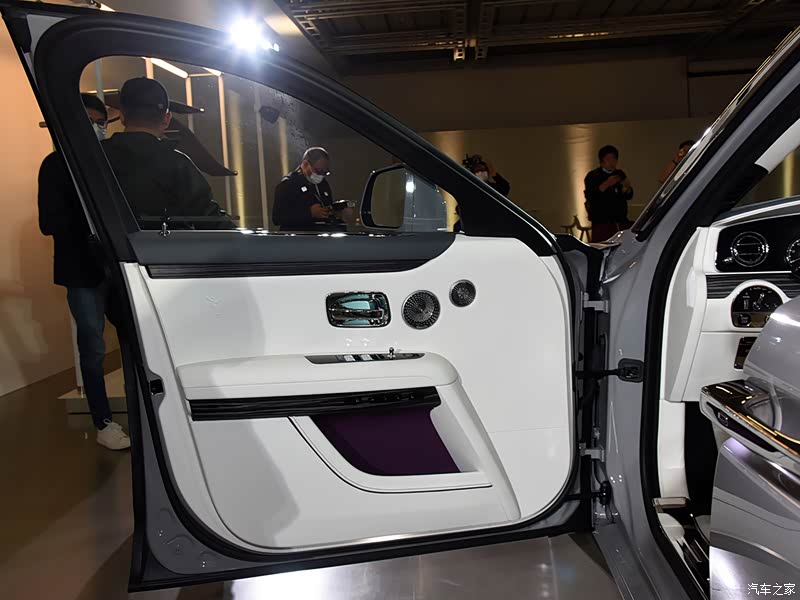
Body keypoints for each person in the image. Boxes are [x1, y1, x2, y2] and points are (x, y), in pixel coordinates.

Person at [38, 94, 130, 450]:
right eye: (90, 121)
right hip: (81, 269)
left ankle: (143, 411)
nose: (97, 128)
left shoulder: (111, 161)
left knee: (133, 341)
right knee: (92, 348)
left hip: (118, 267)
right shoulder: (54, 165)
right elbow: (49, 222)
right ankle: (103, 422)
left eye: (101, 122)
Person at [101, 77, 233, 230]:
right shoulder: (178, 164)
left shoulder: (97, 155)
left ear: (122, 116)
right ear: (166, 119)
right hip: (167, 245)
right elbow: (211, 219)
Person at [272, 147, 351, 231]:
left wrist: (335, 213)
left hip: (322, 235)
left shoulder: (323, 183)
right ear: (305, 164)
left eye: (325, 172)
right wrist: (309, 213)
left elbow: (326, 207)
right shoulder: (288, 184)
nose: (321, 175)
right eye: (318, 171)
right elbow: (277, 218)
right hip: (299, 236)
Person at [584, 145, 634, 243]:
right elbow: (591, 196)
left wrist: (627, 189)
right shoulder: (593, 176)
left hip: (620, 220)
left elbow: (629, 195)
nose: (612, 162)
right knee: (602, 246)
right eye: (608, 159)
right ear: (601, 160)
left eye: (614, 159)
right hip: (601, 222)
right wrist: (607, 184)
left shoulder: (620, 174)